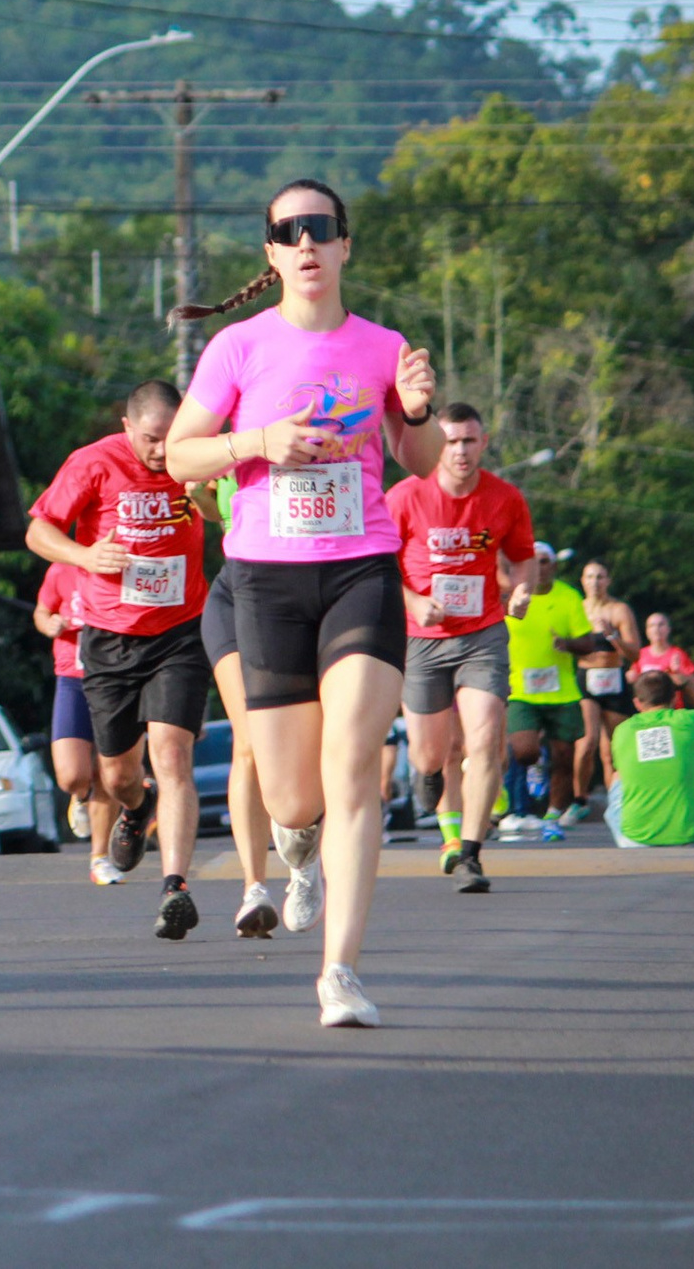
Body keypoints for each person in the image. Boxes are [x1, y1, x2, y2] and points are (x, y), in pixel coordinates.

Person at [164, 177, 441, 1028]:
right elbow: (179, 457)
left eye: (322, 227)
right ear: (273, 253)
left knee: (354, 763)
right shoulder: (240, 348)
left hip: (360, 568)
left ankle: (341, 972)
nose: (308, 242)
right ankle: (297, 847)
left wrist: (423, 408)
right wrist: (258, 441)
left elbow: (421, 459)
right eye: (291, 231)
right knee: (290, 795)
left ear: (346, 244)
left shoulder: (383, 345)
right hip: (267, 578)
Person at [26, 381, 213, 940]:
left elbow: (232, 517)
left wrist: (206, 489)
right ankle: (138, 805)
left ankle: (175, 886)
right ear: (128, 427)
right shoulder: (92, 464)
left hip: (181, 633)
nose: (162, 451)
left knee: (173, 755)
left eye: (171, 437)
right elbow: (38, 530)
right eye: (152, 439)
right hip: (109, 638)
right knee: (117, 774)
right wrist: (85, 555)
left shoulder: (194, 458)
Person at [386, 402, 535, 894]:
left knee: (483, 740)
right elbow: (378, 564)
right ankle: (434, 795)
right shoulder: (406, 496)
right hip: (422, 639)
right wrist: (412, 599)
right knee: (433, 753)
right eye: (451, 441)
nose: (461, 451)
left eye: (469, 440)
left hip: (483, 634)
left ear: (483, 442)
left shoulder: (505, 497)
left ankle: (469, 853)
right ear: (437, 444)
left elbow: (522, 558)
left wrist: (522, 590)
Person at [202, 534, 295, 938]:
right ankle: (254, 888)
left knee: (299, 749)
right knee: (249, 742)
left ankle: (302, 864)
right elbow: (192, 481)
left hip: (305, 596)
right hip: (238, 590)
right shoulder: (237, 467)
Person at [500, 547, 603, 840]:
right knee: (525, 750)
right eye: (532, 563)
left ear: (553, 566)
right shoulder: (511, 596)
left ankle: (552, 818)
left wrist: (566, 644)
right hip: (520, 690)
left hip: (562, 693)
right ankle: (526, 786)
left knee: (563, 758)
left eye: (544, 563)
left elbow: (588, 644)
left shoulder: (568, 596)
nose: (539, 568)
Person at [34, 561, 121, 885]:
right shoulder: (61, 569)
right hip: (72, 677)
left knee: (108, 771)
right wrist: (51, 623)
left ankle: (100, 858)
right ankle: (80, 796)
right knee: (72, 775)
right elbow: (41, 613)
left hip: (115, 677)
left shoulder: (123, 564)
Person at [603, 671, 694, 847]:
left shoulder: (622, 730)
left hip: (634, 840)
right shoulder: (690, 721)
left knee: (617, 776)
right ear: (675, 699)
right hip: (692, 838)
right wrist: (689, 687)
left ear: (637, 703)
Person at [573, 560, 642, 817]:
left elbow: (635, 653)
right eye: (590, 577)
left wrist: (612, 635)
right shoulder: (576, 609)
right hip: (585, 678)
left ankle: (618, 799)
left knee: (613, 748)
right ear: (582, 581)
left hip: (613, 678)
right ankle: (579, 799)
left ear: (608, 581)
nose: (595, 582)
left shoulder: (619, 610)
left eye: (600, 577)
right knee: (587, 742)